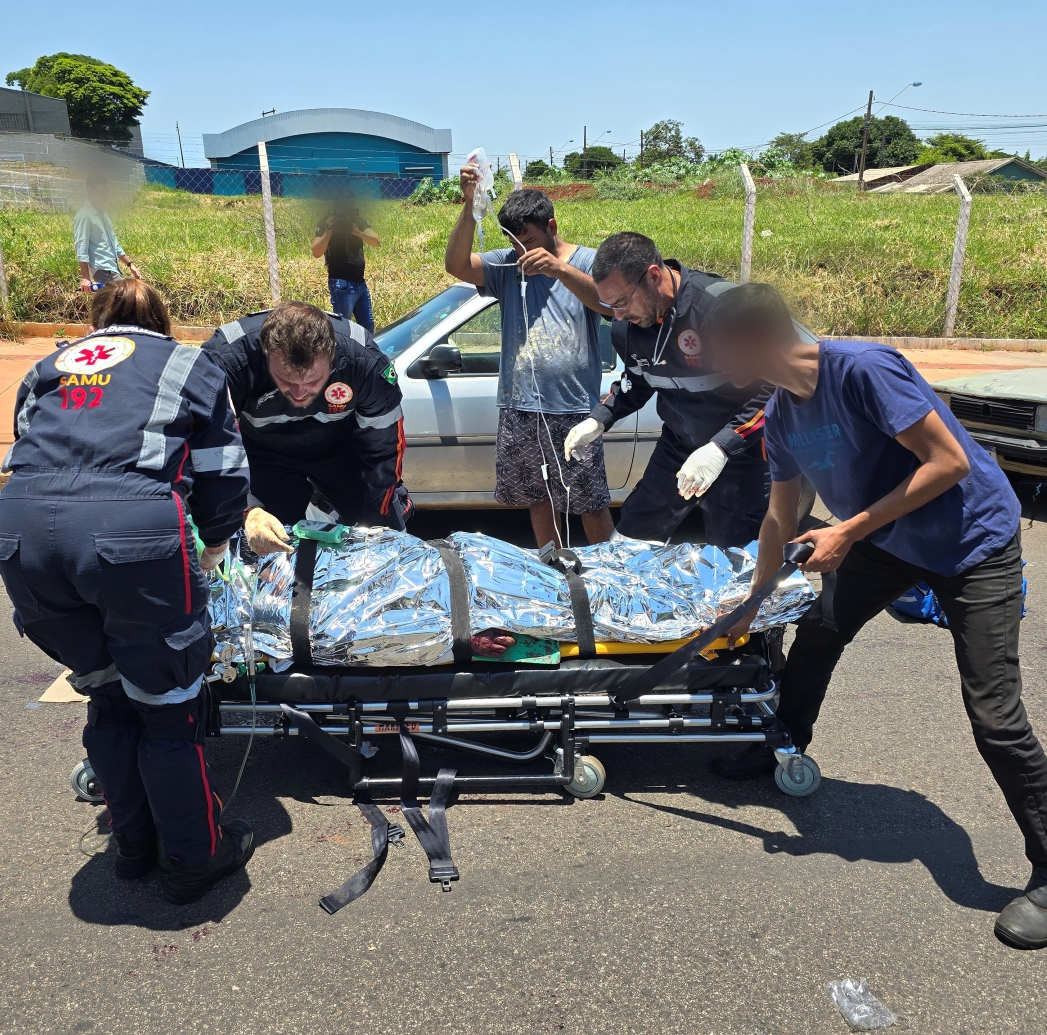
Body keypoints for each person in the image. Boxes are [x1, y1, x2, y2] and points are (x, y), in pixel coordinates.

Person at [705, 282, 1047, 951]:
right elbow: (780, 516)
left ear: (758, 341)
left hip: (974, 543)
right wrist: (751, 602)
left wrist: (849, 531)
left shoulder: (862, 368)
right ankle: (784, 742)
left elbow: (948, 461)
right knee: (820, 630)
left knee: (996, 717)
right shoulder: (781, 414)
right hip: (888, 543)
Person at [0, 280, 253, 903]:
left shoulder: (46, 366)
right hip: (129, 533)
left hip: (22, 533)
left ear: (97, 322)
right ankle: (193, 856)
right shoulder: (190, 364)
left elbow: (29, 449)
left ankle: (132, 847)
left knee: (107, 692)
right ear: (162, 322)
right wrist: (212, 549)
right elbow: (224, 474)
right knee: (168, 705)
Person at [565, 232, 771, 547]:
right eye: (609, 307)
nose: (618, 317)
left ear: (653, 276)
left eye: (621, 303)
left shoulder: (718, 305)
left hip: (740, 452)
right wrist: (599, 419)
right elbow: (637, 380)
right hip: (679, 443)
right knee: (632, 540)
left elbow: (775, 384)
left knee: (735, 555)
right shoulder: (629, 328)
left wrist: (722, 447)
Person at [445, 177, 613, 549]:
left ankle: (611, 576)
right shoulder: (507, 265)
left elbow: (608, 305)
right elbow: (456, 265)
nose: (522, 251)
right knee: (537, 497)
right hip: (520, 407)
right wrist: (470, 207)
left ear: (551, 227)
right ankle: (552, 570)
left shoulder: (586, 261)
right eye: (514, 242)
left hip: (574, 409)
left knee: (590, 502)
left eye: (530, 241)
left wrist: (559, 270)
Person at [200, 301, 410, 554]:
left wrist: (380, 511)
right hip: (263, 454)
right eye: (285, 380)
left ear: (332, 356)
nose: (299, 394)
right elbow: (207, 448)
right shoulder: (225, 362)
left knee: (383, 534)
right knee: (267, 544)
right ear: (265, 354)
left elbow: (384, 448)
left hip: (341, 449)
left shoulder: (363, 362)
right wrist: (247, 509)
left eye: (312, 381)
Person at [311, 189, 380, 335]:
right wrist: (329, 230)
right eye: (343, 206)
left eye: (349, 205)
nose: (345, 210)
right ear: (336, 205)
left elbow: (376, 241)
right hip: (341, 283)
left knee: (368, 329)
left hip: (360, 282)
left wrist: (358, 232)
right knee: (343, 331)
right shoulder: (326, 222)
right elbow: (316, 252)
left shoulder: (357, 220)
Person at [74, 174, 141, 292]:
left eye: (106, 191)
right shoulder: (84, 215)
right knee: (113, 304)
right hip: (101, 269)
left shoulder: (103, 214)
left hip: (113, 269)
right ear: (90, 190)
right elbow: (81, 246)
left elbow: (115, 244)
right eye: (101, 192)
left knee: (118, 303)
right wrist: (85, 278)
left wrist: (131, 265)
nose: (105, 195)